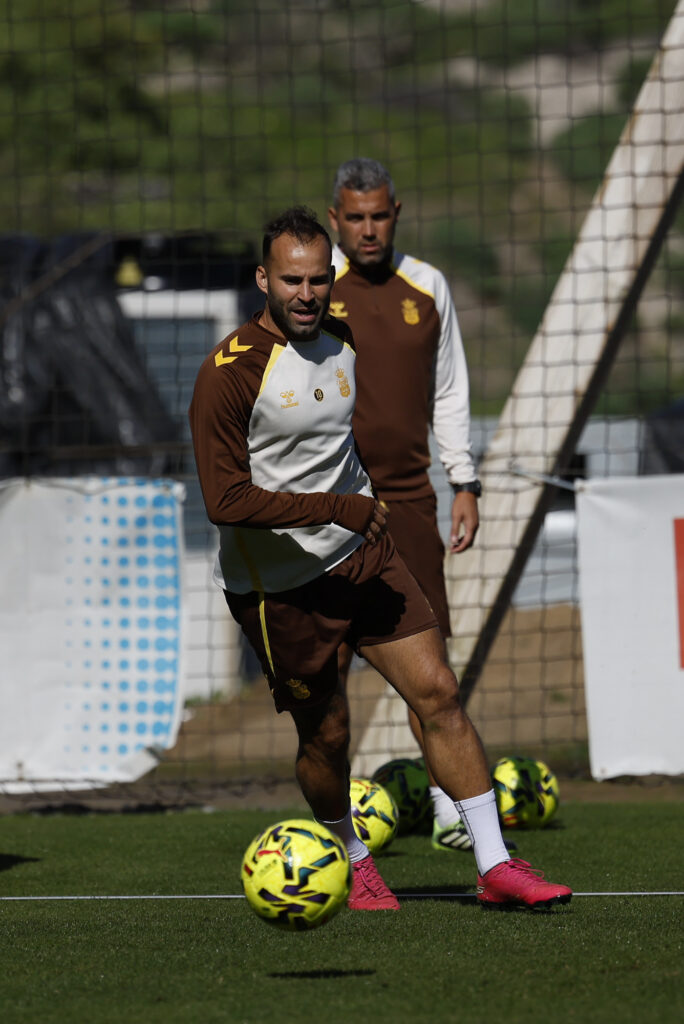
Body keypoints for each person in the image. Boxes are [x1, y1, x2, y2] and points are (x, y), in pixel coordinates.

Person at [188, 205, 572, 911]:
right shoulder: (229, 373)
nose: (307, 293)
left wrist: (368, 499)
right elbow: (225, 500)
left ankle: (496, 865)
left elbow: (332, 440)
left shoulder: (342, 338)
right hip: (280, 588)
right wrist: (337, 507)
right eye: (291, 280)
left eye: (318, 279)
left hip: (364, 554)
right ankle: (353, 856)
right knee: (327, 736)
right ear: (263, 279)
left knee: (439, 692)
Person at [328, 157, 482, 853]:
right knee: (326, 675)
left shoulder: (428, 286)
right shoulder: (311, 287)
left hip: (411, 501)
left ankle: (452, 809)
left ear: (397, 214)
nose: (368, 229)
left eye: (379, 216)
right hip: (328, 508)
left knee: (431, 672)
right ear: (336, 219)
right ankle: (336, 828)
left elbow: (449, 390)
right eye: (355, 217)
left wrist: (464, 479)